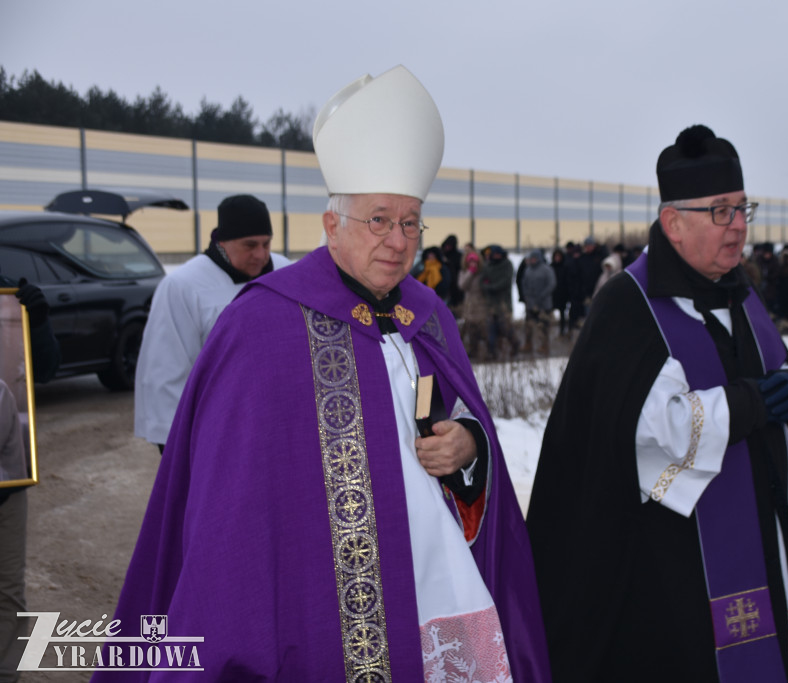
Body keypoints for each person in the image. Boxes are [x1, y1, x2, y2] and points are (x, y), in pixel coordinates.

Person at [95, 65, 549, 682]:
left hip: (440, 583)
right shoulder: (262, 326)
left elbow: (458, 415)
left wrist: (468, 444)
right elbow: (231, 512)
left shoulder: (429, 313)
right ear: (331, 224)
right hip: (320, 606)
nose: (398, 239)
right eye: (378, 219)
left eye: (410, 221)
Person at [527, 124, 788, 682]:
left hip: (761, 541)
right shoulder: (629, 306)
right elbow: (652, 436)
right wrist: (751, 403)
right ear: (673, 222)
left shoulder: (742, 296)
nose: (738, 226)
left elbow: (778, 382)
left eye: (743, 209)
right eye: (720, 211)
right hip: (668, 562)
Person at [133, 194, 291, 451]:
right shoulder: (184, 285)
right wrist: (171, 439)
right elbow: (166, 365)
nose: (261, 255)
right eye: (250, 245)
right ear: (223, 242)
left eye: (266, 244)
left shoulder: (284, 273)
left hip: (275, 420)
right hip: (213, 426)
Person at [0, 278, 60, 683]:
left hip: (7, 483)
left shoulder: (8, 295)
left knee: (7, 588)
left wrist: (37, 322)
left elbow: (47, 368)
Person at [519, 249, 556, 355]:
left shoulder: (547, 269)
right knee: (528, 325)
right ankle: (528, 344)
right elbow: (524, 283)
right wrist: (527, 296)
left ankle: (544, 345)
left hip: (544, 304)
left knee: (543, 326)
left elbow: (551, 284)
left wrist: (541, 296)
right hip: (531, 303)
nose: (532, 260)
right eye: (531, 258)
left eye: (534, 258)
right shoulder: (528, 269)